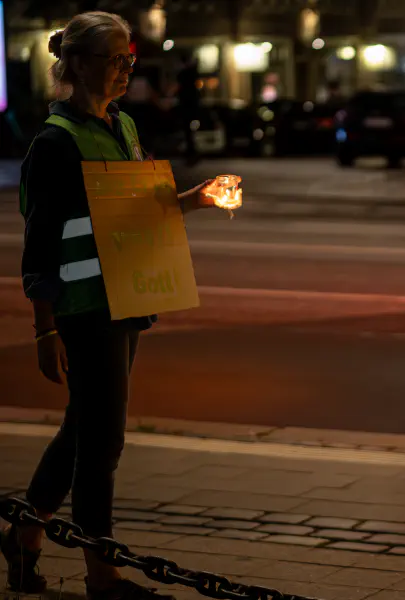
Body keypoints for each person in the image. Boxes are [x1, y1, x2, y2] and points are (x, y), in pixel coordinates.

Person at [1, 12, 215, 600]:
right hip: (83, 305)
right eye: (115, 59)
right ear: (78, 64)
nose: (125, 70)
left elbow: (133, 208)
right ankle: (104, 574)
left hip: (125, 295)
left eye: (129, 59)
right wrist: (45, 329)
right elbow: (40, 242)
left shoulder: (121, 126)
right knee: (102, 440)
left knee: (81, 429)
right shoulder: (55, 143)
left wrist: (192, 201)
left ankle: (24, 534)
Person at [176, 52, 200, 165]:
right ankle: (191, 154)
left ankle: (191, 154)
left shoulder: (184, 74)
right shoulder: (191, 74)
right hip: (191, 106)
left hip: (186, 106)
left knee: (188, 132)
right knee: (190, 133)